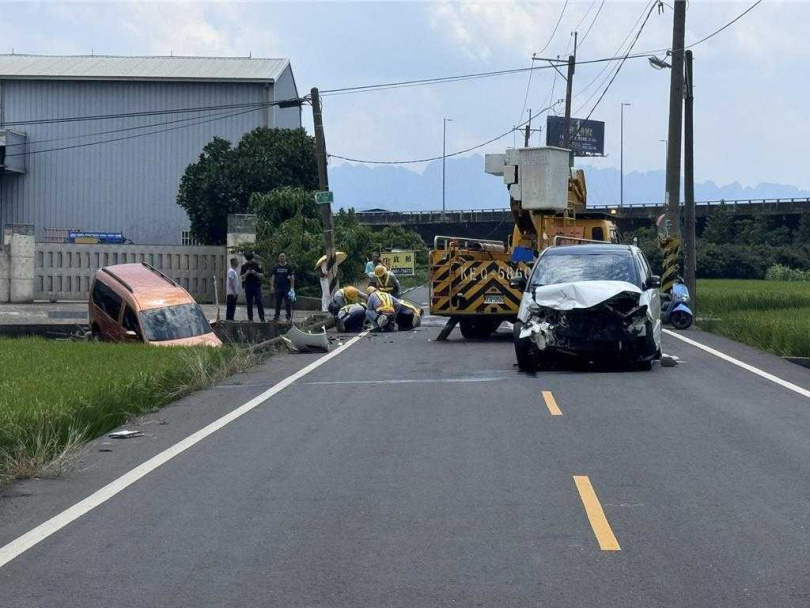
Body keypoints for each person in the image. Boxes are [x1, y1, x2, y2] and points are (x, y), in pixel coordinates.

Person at [270, 252, 295, 323]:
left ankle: (288, 317)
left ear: (285, 257)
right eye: (280, 256)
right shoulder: (275, 267)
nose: (282, 258)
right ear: (278, 258)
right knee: (278, 303)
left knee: (288, 303)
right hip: (278, 288)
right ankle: (276, 316)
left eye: (283, 256)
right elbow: (273, 277)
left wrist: (292, 288)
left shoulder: (289, 267)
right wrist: (272, 286)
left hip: (286, 288)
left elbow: (292, 278)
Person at [240, 252, 265, 322]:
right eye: (248, 260)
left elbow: (262, 275)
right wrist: (247, 273)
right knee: (249, 303)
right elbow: (242, 276)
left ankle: (262, 317)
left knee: (259, 301)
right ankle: (250, 318)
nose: (249, 262)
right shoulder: (244, 266)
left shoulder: (257, 265)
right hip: (248, 285)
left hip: (256, 285)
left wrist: (255, 272)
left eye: (250, 260)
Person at [225, 257, 240, 321]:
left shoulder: (234, 271)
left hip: (233, 292)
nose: (238, 263)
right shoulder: (231, 271)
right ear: (234, 263)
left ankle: (231, 318)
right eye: (237, 262)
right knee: (230, 307)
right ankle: (229, 319)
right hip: (231, 293)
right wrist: (234, 292)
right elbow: (231, 282)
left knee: (233, 307)